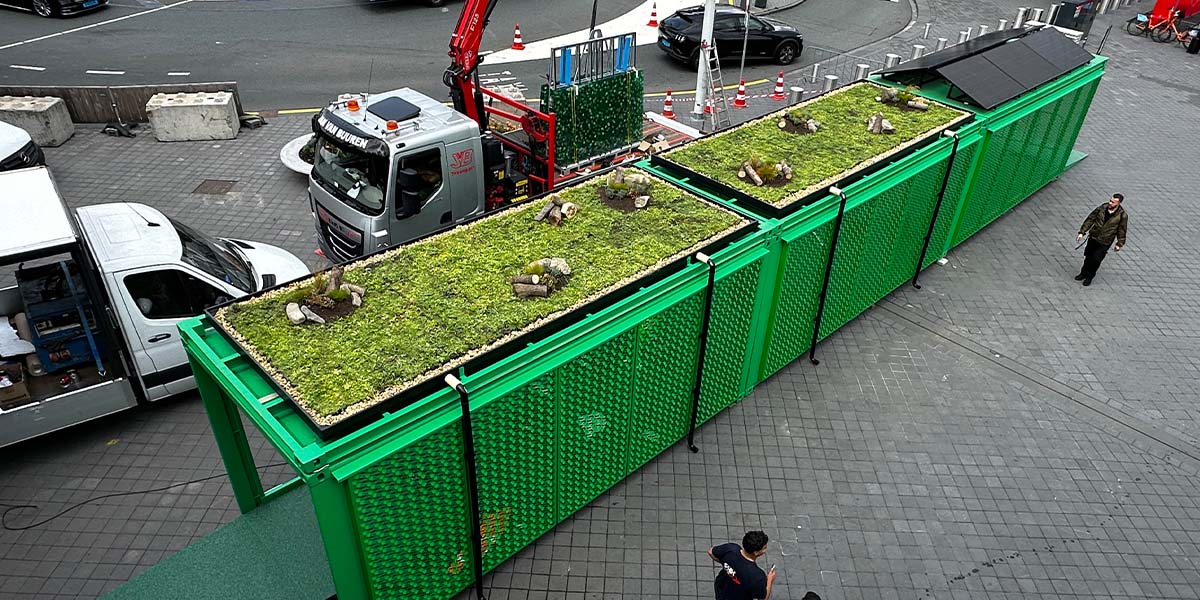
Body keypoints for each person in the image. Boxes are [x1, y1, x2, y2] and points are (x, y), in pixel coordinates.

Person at [1075, 193, 1128, 286]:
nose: (1110, 203)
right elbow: (1090, 219)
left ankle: (1090, 276)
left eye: (1113, 202)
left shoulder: (1122, 215)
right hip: (1094, 237)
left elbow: (1122, 230)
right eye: (1110, 200)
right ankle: (1083, 273)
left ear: (1118, 203)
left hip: (1105, 241)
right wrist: (1082, 232)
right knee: (1088, 256)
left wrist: (1119, 244)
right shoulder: (1102, 208)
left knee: (1096, 259)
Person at [707, 531, 777, 600]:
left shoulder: (731, 549)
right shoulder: (757, 576)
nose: (765, 550)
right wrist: (770, 580)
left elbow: (711, 552)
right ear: (756, 552)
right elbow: (763, 598)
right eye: (764, 548)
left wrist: (725, 563)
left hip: (721, 589)